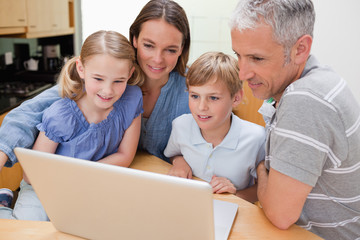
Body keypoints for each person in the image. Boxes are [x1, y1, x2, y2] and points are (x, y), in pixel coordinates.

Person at [0, 0, 190, 171]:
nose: (157, 59)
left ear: (182, 48)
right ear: (135, 40)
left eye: (171, 50)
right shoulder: (102, 79)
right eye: (149, 45)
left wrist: (180, 157)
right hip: (104, 180)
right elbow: (26, 114)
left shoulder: (193, 89)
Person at [229, 0, 360, 239]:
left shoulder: (306, 100)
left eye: (257, 58)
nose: (242, 73)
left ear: (300, 49)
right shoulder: (318, 79)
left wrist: (261, 168)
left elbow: (280, 215)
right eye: (238, 55)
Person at [0, 30, 144, 220]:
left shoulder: (132, 98)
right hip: (42, 185)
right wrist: (70, 182)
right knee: (26, 231)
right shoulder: (61, 114)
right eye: (98, 79)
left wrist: (82, 178)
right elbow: (30, 174)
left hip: (90, 181)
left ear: (130, 73)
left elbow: (125, 155)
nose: (108, 90)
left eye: (119, 81)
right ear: (81, 69)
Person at [164, 52, 265, 203]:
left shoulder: (256, 138)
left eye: (213, 98)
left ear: (236, 98)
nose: (201, 107)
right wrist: (179, 162)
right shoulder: (181, 126)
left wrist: (234, 193)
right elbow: (174, 153)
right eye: (195, 96)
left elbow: (263, 191)